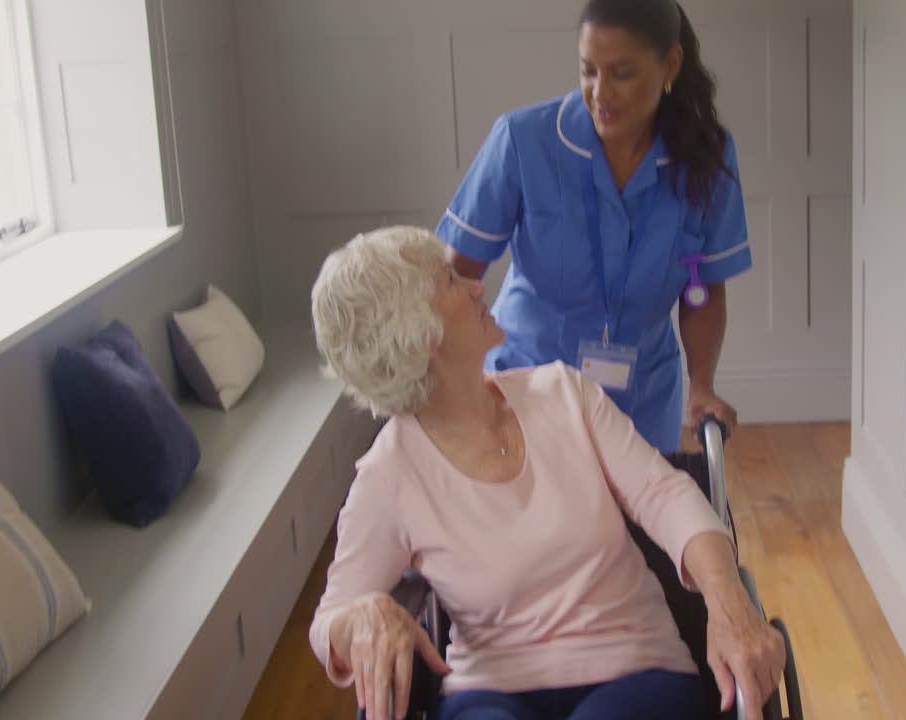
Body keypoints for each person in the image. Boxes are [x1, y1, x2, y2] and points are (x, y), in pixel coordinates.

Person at [308, 226, 784, 720]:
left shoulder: (563, 394)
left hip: (636, 671)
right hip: (486, 694)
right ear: (417, 335)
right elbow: (329, 621)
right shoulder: (390, 475)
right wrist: (359, 620)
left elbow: (665, 494)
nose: (476, 286)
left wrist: (728, 602)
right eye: (450, 281)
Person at [436, 0, 751, 455]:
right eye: (588, 71)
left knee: (632, 522)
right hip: (525, 382)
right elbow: (457, 277)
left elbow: (704, 289)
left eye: (621, 73)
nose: (600, 93)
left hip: (641, 396)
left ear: (671, 65)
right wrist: (450, 380)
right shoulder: (524, 142)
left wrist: (702, 384)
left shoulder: (708, 158)